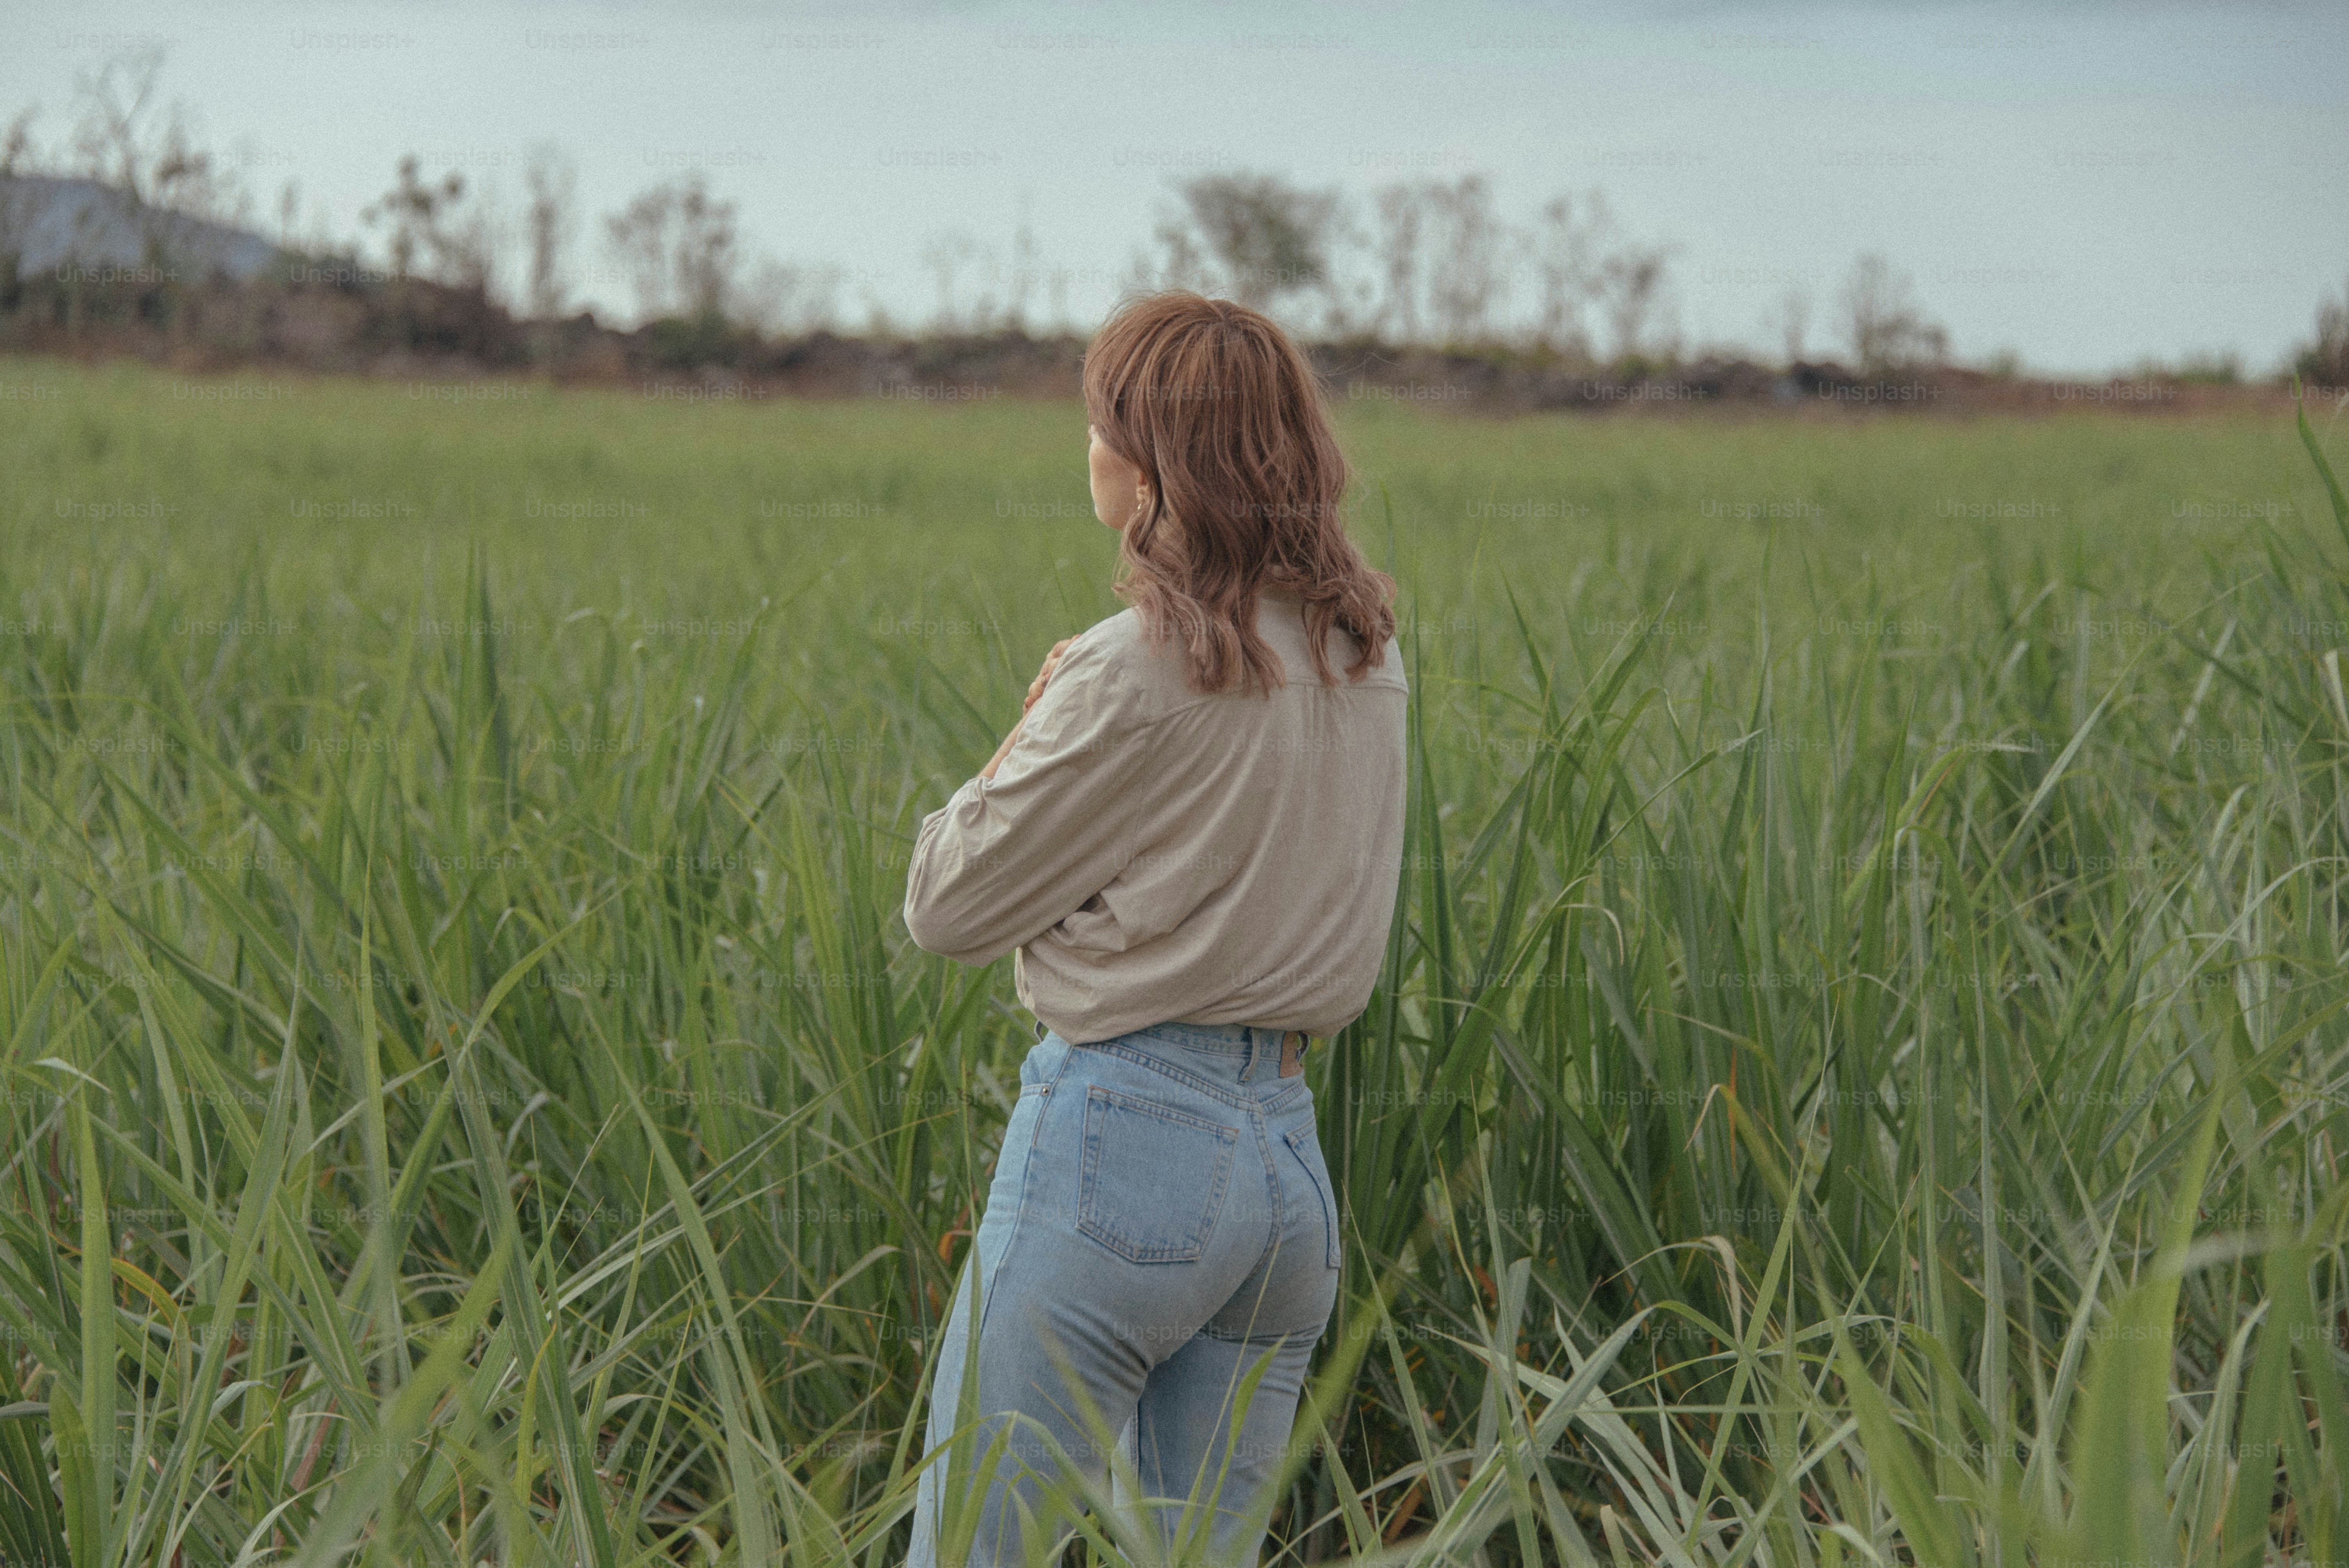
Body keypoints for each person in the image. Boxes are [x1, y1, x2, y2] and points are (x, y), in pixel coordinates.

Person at [901, 289, 1410, 1568]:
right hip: (1289, 1175)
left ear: (1147, 464)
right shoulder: (1365, 654)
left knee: (974, 1552)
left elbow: (948, 905)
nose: (1086, 448)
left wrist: (1035, 716)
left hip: (1124, 1149)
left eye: (1096, 424)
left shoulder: (1134, 667)